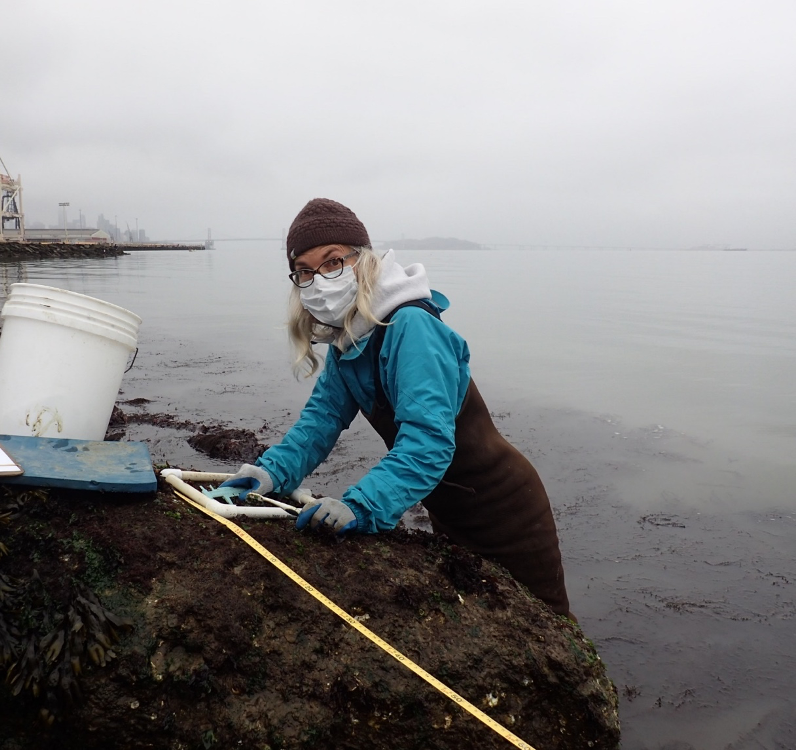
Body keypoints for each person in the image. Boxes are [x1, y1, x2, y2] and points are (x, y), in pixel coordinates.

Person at [221, 198, 572, 619]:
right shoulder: (349, 338)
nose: (320, 279)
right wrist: (273, 472)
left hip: (506, 510)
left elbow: (428, 444)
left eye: (333, 261)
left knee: (544, 621)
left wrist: (362, 505)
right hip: (446, 506)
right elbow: (321, 420)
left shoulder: (413, 326)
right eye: (305, 272)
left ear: (363, 259)